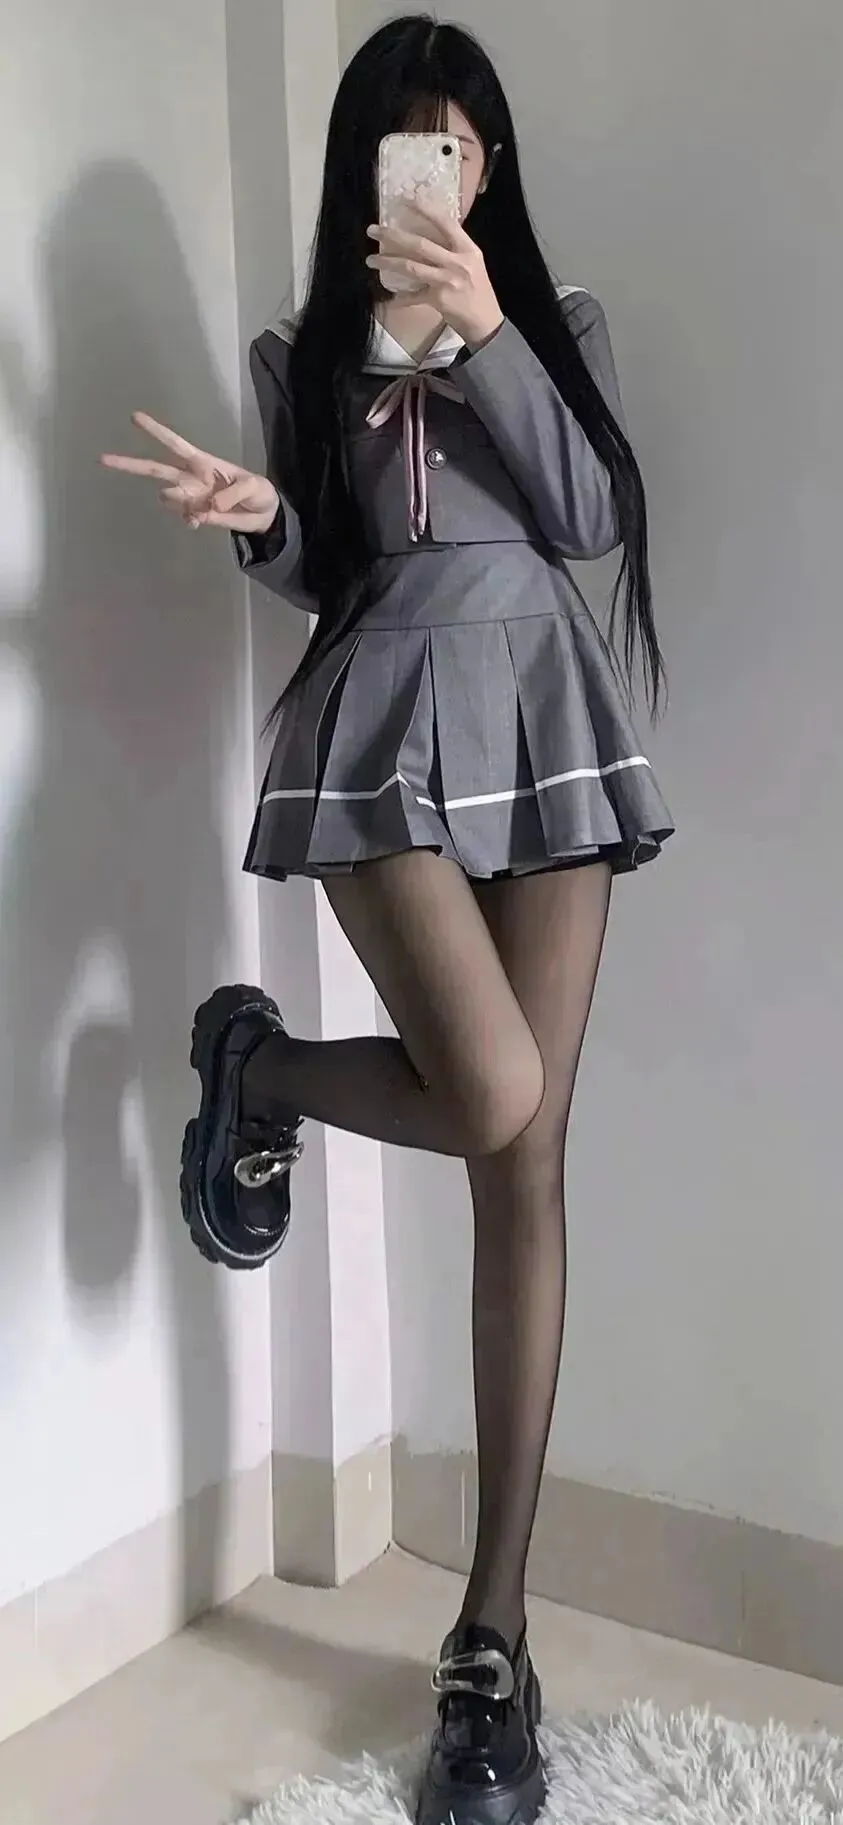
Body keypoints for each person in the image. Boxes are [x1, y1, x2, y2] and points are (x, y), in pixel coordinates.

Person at [102, 15, 673, 1824]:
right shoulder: (306, 357)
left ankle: (490, 1639)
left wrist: (486, 324)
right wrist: (265, 514)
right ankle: (259, 1075)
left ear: (488, 169)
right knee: (492, 1092)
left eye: (459, 148)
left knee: (528, 1159)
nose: (436, 176)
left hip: (545, 720)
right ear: (363, 172)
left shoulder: (553, 326)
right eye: (405, 149)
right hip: (377, 727)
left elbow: (585, 514)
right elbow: (333, 569)